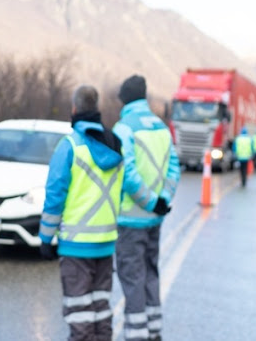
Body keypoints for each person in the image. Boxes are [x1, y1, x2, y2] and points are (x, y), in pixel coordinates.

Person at [39, 84, 125, 341]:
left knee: (79, 316)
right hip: (106, 244)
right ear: (96, 109)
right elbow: (119, 193)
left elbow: (55, 196)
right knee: (100, 311)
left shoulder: (69, 146)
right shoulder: (116, 145)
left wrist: (45, 238)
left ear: (75, 109)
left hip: (76, 247)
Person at [112, 75, 181, 341]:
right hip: (155, 220)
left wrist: (150, 201)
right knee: (151, 274)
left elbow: (127, 174)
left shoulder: (123, 128)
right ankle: (154, 332)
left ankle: (137, 335)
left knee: (132, 280)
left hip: (131, 220)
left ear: (125, 98)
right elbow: (174, 167)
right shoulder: (162, 128)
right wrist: (162, 199)